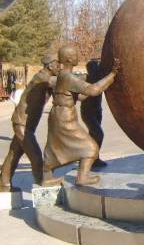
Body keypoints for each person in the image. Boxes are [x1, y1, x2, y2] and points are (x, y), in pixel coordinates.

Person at [42, 46, 119, 186]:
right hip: (64, 118)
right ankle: (82, 178)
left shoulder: (62, 75)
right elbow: (93, 90)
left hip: (60, 115)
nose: (78, 57)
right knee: (91, 147)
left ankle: (46, 175)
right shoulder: (68, 77)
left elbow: (81, 96)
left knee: (55, 146)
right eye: (76, 55)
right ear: (69, 59)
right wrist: (112, 75)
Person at [0, 54, 60, 190]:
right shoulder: (42, 77)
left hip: (26, 123)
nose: (59, 67)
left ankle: (3, 183)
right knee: (35, 154)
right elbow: (58, 82)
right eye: (57, 64)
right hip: (22, 123)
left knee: (14, 154)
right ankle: (43, 180)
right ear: (50, 65)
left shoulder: (46, 78)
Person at [81, 58, 107, 168]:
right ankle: (89, 159)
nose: (97, 69)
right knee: (98, 134)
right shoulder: (87, 80)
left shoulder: (99, 78)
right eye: (95, 68)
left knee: (94, 136)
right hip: (88, 112)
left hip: (97, 110)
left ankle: (94, 159)